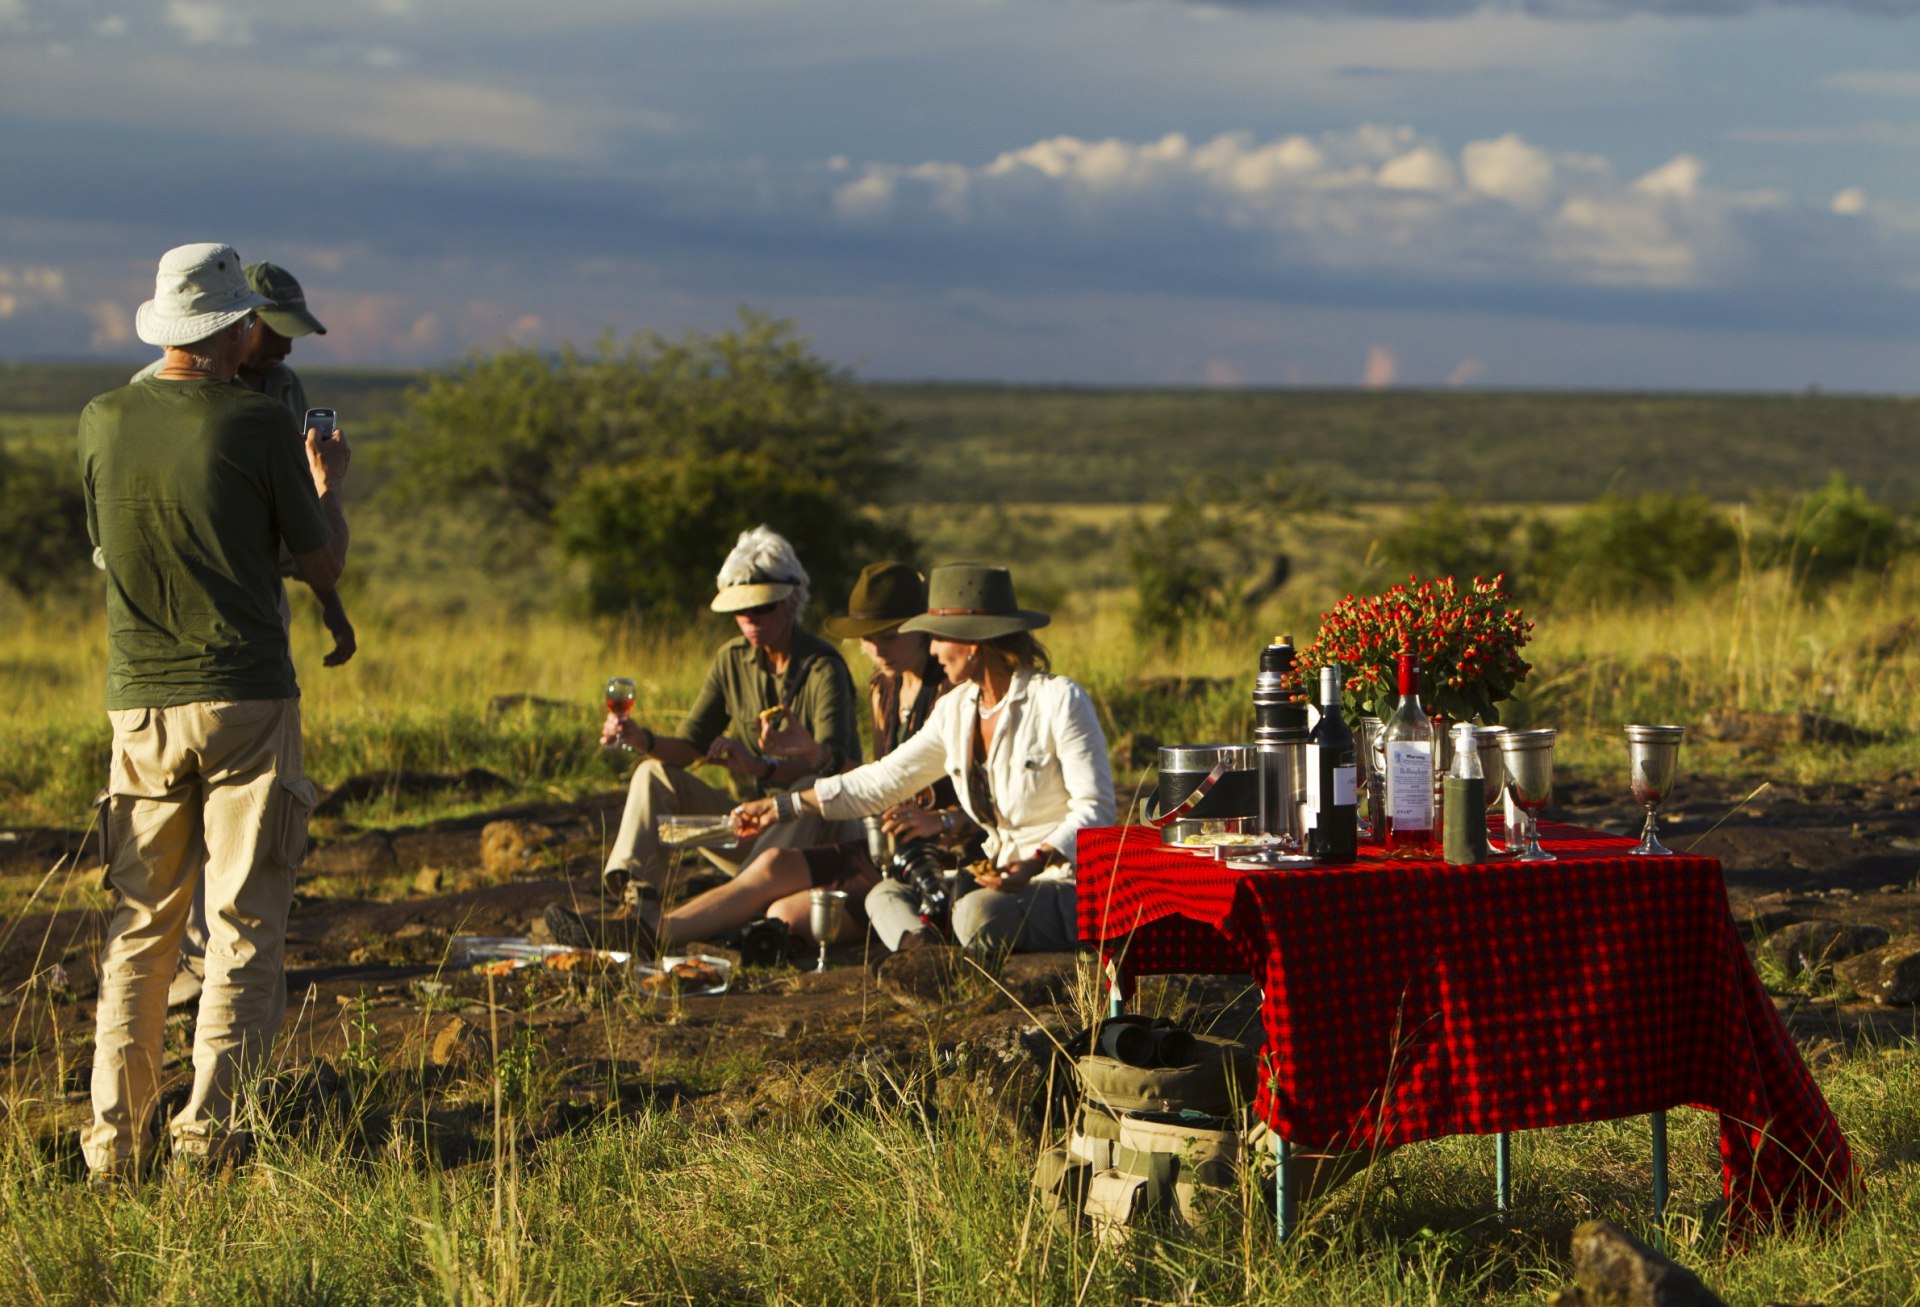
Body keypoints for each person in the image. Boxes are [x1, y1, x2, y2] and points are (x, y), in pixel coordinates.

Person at [78, 243, 350, 1178]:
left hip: (139, 705)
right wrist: (329, 487)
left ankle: (113, 1143)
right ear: (234, 328)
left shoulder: (100, 420)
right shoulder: (257, 424)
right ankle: (209, 1135)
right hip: (244, 696)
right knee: (242, 923)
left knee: (140, 926)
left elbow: (107, 555)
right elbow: (320, 567)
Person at [128, 260, 355, 1013]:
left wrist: (329, 606)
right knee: (224, 831)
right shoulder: (153, 401)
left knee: (207, 838)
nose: (288, 349)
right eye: (276, 332)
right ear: (239, 325)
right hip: (197, 628)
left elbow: (300, 546)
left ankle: (205, 962)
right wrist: (330, 492)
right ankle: (215, 977)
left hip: (241, 619)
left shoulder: (276, 393)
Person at [550, 561, 971, 953]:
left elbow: (862, 779)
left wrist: (794, 763)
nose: (878, 651)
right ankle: (642, 923)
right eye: (868, 639)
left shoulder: (842, 670)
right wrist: (643, 739)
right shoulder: (884, 685)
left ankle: (708, 921)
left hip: (912, 843)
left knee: (785, 912)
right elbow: (875, 779)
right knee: (657, 778)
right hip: (826, 829)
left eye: (889, 637)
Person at [734, 563, 1115, 954]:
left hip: (1061, 882)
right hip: (992, 879)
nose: (932, 649)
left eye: (938, 637)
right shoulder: (955, 710)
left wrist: (1035, 861)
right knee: (884, 896)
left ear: (973, 642)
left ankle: (941, 948)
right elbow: (883, 780)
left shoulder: (1059, 700)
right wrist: (786, 806)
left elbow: (1097, 810)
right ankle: (925, 960)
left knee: (976, 914)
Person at [587, 527, 864, 921]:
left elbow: (835, 767)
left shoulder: (823, 668)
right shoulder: (731, 660)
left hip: (810, 835)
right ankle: (637, 902)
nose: (749, 620)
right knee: (653, 775)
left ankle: (732, 906)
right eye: (740, 610)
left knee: (807, 789)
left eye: (762, 608)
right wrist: (640, 738)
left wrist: (765, 769)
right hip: (750, 827)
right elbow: (689, 748)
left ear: (791, 600)